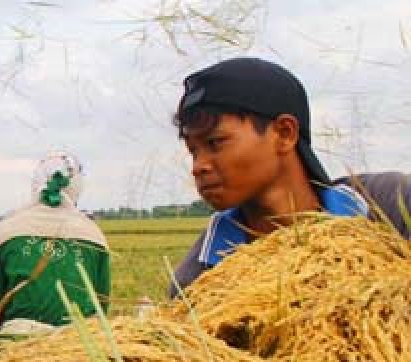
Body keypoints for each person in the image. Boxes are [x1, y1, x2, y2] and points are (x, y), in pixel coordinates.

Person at [171, 57, 411, 297]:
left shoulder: (388, 208)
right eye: (193, 151)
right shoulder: (200, 281)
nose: (198, 167)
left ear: (285, 133)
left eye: (215, 143)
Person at [0, 151, 111, 333]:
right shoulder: (92, 234)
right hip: (81, 341)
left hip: (18, 339)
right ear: (77, 187)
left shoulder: (5, 231)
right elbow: (102, 305)